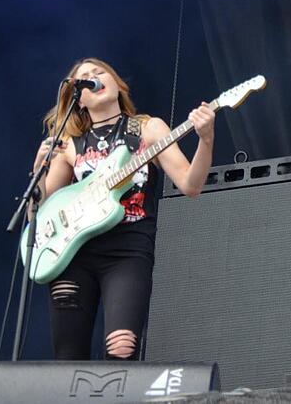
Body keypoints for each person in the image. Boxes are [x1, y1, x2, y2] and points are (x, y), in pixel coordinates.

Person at [31, 57, 215, 360]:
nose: (93, 77)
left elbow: (190, 184)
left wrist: (206, 139)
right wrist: (39, 167)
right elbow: (41, 210)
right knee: (67, 356)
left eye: (99, 72)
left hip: (128, 251)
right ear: (79, 99)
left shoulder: (148, 128)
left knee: (122, 347)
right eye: (85, 78)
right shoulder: (69, 145)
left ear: (117, 83)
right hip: (75, 255)